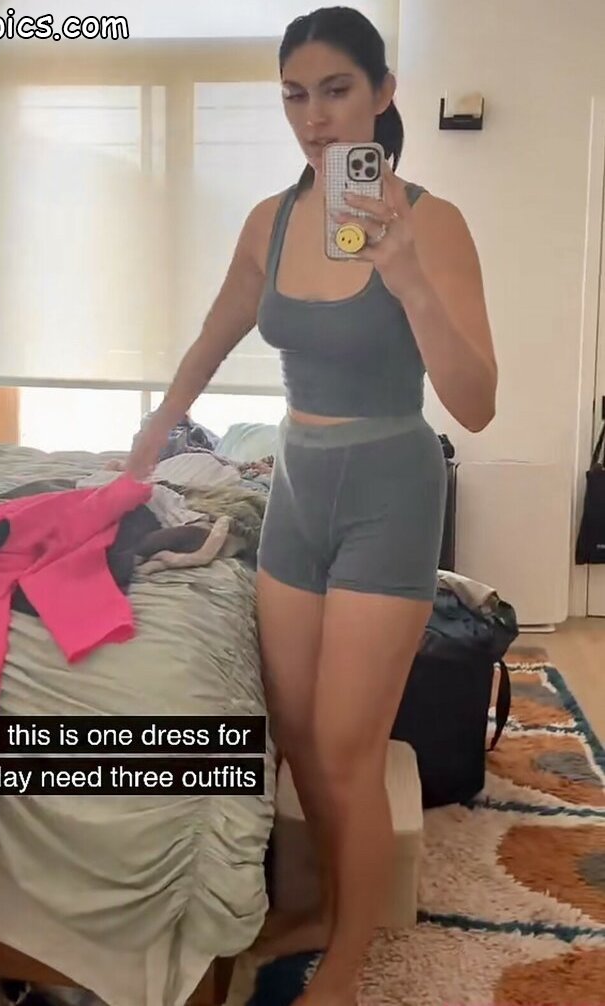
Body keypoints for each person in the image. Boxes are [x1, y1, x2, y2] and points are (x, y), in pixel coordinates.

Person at [125, 7, 497, 1004]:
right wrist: (153, 432)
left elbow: (476, 401)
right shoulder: (271, 220)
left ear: (382, 94)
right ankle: (334, 904)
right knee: (295, 735)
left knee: (345, 747)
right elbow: (213, 335)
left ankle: (347, 956)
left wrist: (408, 279)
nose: (314, 117)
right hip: (295, 484)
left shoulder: (432, 223)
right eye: (295, 95)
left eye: (336, 90)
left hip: (389, 489)